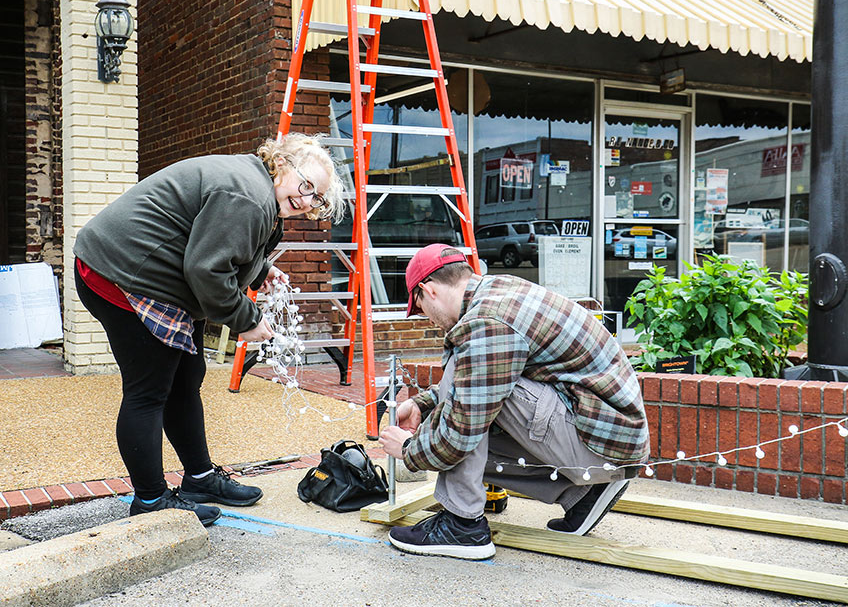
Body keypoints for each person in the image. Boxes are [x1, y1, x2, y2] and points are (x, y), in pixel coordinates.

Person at [74, 133, 346, 526]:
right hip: (122, 273)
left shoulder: (256, 188)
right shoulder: (250, 196)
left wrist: (262, 269)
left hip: (140, 269)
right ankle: (150, 501)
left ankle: (199, 479)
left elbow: (221, 242)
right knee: (149, 391)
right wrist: (247, 320)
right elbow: (207, 269)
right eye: (306, 186)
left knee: (185, 377)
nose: (306, 201)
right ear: (283, 164)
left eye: (316, 198)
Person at [379, 244, 649, 560]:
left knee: (465, 407)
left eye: (420, 305)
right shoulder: (496, 292)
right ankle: (583, 492)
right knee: (471, 389)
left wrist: (410, 449)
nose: (426, 318)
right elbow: (478, 383)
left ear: (429, 290)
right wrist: (425, 406)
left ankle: (461, 525)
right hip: (607, 441)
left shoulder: (485, 323)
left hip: (600, 444)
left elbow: (462, 425)